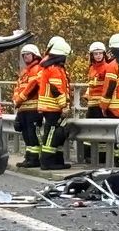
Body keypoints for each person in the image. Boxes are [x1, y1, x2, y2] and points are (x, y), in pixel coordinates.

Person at [37, 38, 72, 170]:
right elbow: (56, 89)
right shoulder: (55, 69)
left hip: (51, 107)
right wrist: (63, 106)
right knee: (52, 134)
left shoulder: (52, 68)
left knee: (56, 134)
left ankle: (57, 161)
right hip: (53, 107)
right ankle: (47, 162)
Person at [12, 44, 43, 168]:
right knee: (25, 135)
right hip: (23, 108)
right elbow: (18, 87)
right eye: (24, 55)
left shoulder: (38, 69)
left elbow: (32, 87)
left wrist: (19, 99)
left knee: (32, 134)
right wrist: (15, 99)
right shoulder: (25, 72)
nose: (25, 57)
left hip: (33, 109)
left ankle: (34, 159)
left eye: (28, 54)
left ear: (34, 55)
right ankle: (29, 157)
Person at [84, 42, 108, 119]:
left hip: (101, 103)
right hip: (91, 103)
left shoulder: (107, 67)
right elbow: (90, 84)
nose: (98, 56)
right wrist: (87, 94)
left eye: (100, 53)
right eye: (96, 54)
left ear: (104, 54)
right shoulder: (91, 68)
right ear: (92, 55)